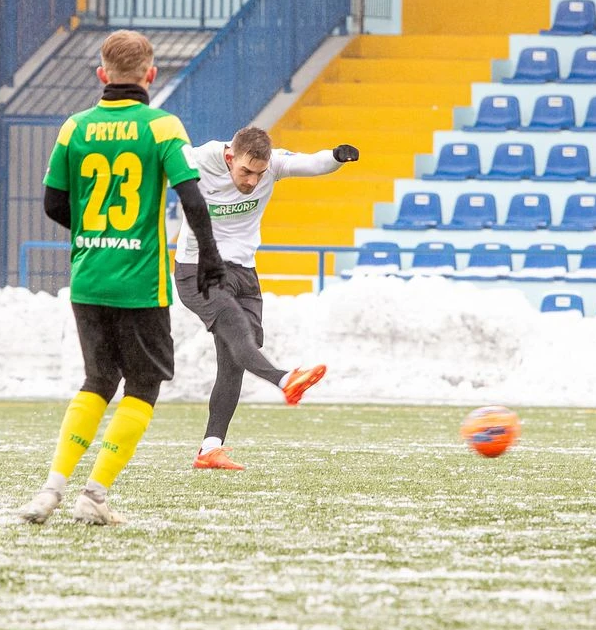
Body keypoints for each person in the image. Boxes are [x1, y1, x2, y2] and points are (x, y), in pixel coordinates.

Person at [18, 30, 228, 526]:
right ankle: (94, 495)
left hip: (89, 277)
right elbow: (192, 198)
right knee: (143, 384)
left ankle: (51, 489)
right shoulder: (162, 126)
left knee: (97, 381)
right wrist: (210, 256)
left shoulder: (74, 127)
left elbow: (52, 203)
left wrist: (97, 233)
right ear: (150, 75)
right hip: (139, 283)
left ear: (102, 74)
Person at [173, 126, 358, 471]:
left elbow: (312, 163)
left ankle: (210, 448)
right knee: (237, 331)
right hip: (198, 269)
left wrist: (336, 157)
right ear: (230, 157)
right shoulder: (198, 159)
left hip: (243, 272)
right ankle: (285, 380)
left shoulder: (272, 165)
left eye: (259, 174)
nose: (252, 181)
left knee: (236, 357)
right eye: (246, 171)